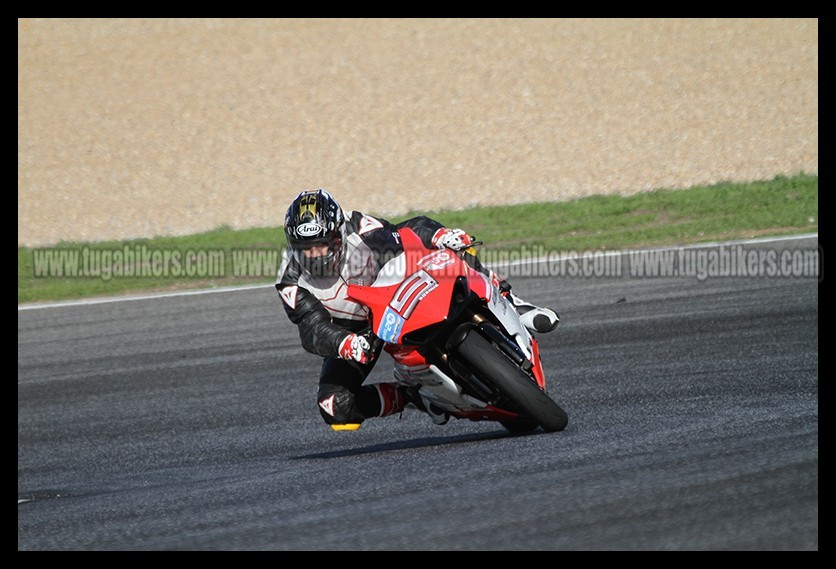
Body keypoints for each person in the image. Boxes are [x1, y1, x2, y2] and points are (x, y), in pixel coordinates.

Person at [275, 189, 559, 429]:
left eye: (322, 245)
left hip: (391, 291)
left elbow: (406, 232)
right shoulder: (290, 279)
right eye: (305, 248)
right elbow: (311, 326)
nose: (314, 255)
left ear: (338, 234)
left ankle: (511, 299)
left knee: (452, 252)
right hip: (354, 330)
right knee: (333, 406)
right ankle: (414, 397)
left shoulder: (358, 227)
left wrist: (441, 236)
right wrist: (345, 343)